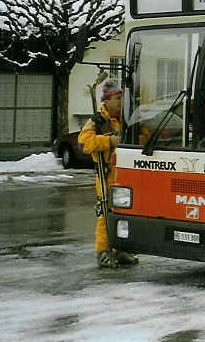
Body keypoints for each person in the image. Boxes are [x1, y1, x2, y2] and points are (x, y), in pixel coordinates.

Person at [78, 79, 139, 269]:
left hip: (127, 173)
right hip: (107, 174)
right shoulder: (97, 121)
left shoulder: (128, 120)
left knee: (127, 213)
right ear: (107, 100)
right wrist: (109, 141)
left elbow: (143, 137)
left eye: (122, 98)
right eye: (117, 98)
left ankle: (121, 249)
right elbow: (83, 144)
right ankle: (103, 252)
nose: (121, 102)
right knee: (106, 213)